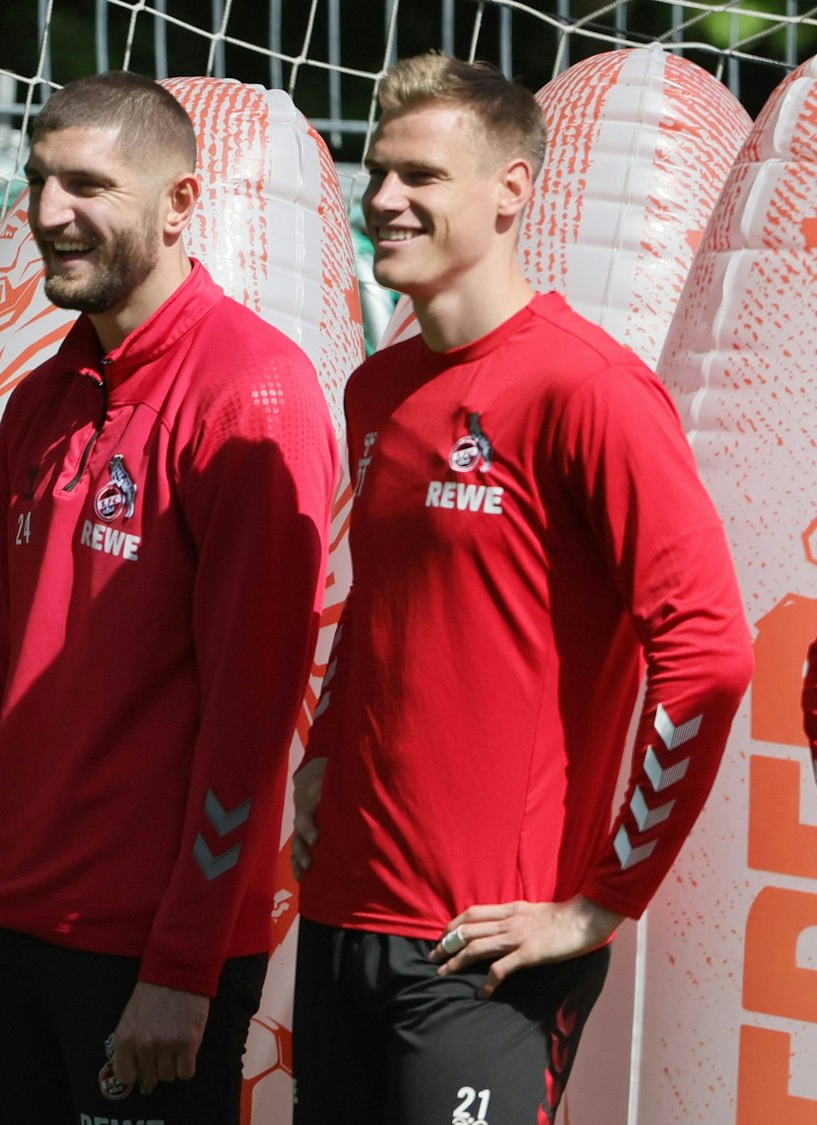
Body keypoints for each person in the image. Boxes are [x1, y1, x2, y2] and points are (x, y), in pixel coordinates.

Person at [289, 53, 753, 1125]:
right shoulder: (377, 389)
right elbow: (381, 604)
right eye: (377, 170)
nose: (384, 198)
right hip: (342, 916)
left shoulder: (589, 389)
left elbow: (709, 655)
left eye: (420, 175)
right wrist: (319, 756)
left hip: (486, 952)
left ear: (511, 190)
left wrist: (597, 904)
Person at [0, 72, 336, 1124]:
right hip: (1, 937)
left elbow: (253, 714)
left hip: (143, 954)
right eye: (38, 180)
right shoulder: (39, 399)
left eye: (86, 185)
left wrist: (182, 965)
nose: (47, 212)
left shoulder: (251, 391)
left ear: (179, 204)